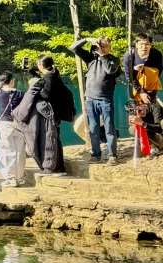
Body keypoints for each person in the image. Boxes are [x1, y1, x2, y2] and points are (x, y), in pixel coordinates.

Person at [14, 56, 75, 174]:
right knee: (55, 139)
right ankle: (59, 166)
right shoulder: (54, 74)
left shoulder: (49, 78)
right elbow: (46, 83)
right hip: (55, 112)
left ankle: (53, 167)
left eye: (38, 64)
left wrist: (35, 87)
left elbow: (46, 94)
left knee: (50, 140)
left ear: (40, 65)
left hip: (51, 113)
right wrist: (33, 73)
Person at [72, 33, 123, 162]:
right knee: (93, 128)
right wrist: (87, 39)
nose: (103, 48)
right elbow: (73, 48)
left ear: (110, 47)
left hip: (105, 99)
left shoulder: (114, 59)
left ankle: (112, 155)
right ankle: (96, 154)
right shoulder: (90, 58)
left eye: (106, 46)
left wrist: (102, 55)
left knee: (109, 127)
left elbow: (110, 70)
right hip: (90, 99)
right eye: (101, 46)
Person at [0, 72, 26, 185]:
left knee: (5, 150)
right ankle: (19, 176)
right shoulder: (20, 93)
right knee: (19, 150)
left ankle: (10, 178)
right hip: (18, 124)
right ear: (11, 81)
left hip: (5, 124)